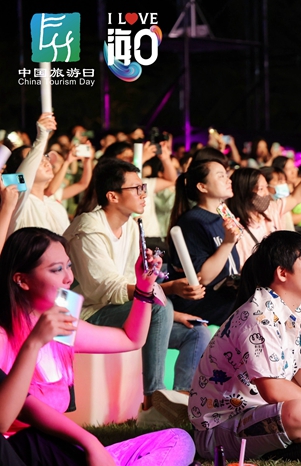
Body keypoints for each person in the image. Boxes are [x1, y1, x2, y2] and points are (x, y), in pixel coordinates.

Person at [0, 227, 195, 466]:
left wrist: (144, 287)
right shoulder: (4, 336)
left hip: (63, 451)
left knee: (179, 440)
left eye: (69, 266)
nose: (68, 278)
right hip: (22, 453)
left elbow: (131, 339)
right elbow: (21, 411)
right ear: (22, 280)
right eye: (57, 269)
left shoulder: (62, 323)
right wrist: (89, 441)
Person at [190, 231, 301, 463]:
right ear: (282, 273)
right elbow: (272, 390)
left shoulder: (297, 309)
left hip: (261, 412)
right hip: (218, 430)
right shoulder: (259, 316)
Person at [63, 159, 209, 426]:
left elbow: (136, 284)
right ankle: (152, 401)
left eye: (144, 188)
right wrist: (165, 292)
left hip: (122, 310)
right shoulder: (88, 229)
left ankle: (180, 403)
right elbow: (105, 288)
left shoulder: (131, 226)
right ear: (113, 196)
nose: (144, 194)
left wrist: (171, 310)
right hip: (87, 314)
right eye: (137, 188)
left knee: (196, 331)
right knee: (158, 307)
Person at [227, 144, 301, 265]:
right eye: (261, 189)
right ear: (244, 192)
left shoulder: (270, 210)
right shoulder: (234, 228)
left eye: (266, 187)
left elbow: (296, 197)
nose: (267, 193)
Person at [167, 157, 242, 326]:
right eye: (220, 176)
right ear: (202, 187)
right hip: (204, 303)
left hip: (227, 296)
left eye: (227, 175)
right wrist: (228, 243)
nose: (228, 180)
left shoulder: (224, 215)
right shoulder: (192, 222)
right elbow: (203, 278)